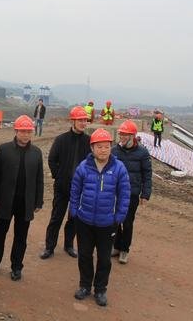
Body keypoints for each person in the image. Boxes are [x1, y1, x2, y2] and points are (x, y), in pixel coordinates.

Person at [70, 128, 130, 307]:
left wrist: (119, 216)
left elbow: (125, 194)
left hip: (107, 223)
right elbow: (75, 190)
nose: (103, 150)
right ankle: (85, 286)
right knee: (84, 255)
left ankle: (100, 289)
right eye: (99, 147)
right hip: (84, 221)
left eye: (107, 146)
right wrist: (74, 211)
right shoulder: (83, 167)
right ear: (92, 148)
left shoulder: (119, 168)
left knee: (104, 259)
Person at [0, 115, 44, 281]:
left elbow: (39, 179)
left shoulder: (36, 153)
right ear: (16, 131)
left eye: (28, 131)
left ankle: (16, 267)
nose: (26, 134)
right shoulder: (3, 150)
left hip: (25, 202)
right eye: (22, 131)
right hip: (5, 201)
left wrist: (38, 201)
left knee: (21, 236)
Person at [40, 106, 91, 260]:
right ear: (72, 121)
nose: (83, 123)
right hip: (62, 187)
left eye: (85, 120)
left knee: (74, 218)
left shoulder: (88, 141)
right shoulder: (61, 140)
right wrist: (59, 176)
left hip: (80, 188)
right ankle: (49, 247)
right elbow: (52, 159)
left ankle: (69, 245)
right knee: (56, 217)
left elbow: (92, 163)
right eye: (80, 120)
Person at [111, 120, 152, 264]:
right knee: (115, 221)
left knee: (127, 223)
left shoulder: (142, 152)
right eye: (120, 134)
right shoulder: (114, 151)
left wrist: (145, 194)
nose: (121, 137)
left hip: (132, 193)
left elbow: (147, 174)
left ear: (132, 136)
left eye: (124, 134)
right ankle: (117, 246)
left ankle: (124, 250)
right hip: (115, 192)